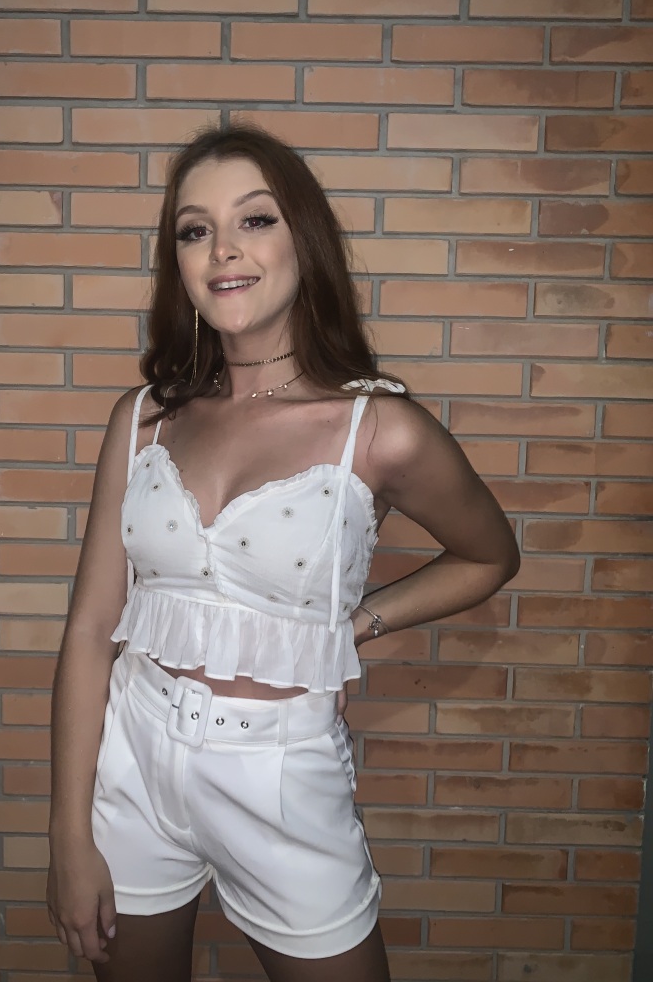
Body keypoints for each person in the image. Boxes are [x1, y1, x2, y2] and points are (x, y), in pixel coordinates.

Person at [47, 125, 520, 982]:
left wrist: (359, 623)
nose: (223, 250)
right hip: (133, 758)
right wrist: (68, 837)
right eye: (195, 230)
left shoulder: (378, 429)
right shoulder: (143, 419)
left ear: (304, 239)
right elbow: (88, 631)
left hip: (281, 775)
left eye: (255, 220)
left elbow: (488, 556)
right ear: (179, 264)